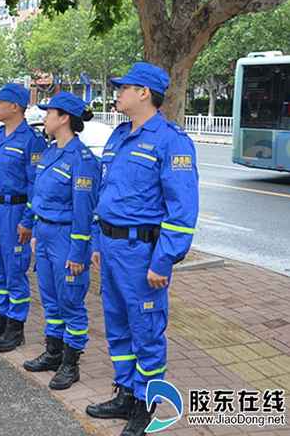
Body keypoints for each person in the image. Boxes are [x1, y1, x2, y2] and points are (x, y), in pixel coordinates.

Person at [85, 62, 199, 436]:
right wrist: (99, 241)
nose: (117, 93)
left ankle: (144, 404)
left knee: (146, 329)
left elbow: (182, 210)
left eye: (124, 88)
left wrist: (163, 260)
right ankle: (124, 392)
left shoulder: (171, 140)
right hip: (113, 247)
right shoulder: (119, 136)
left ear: (144, 93)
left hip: (142, 253)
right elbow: (106, 195)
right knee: (117, 326)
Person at [23, 92, 100, 391]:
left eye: (49, 112)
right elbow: (37, 197)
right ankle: (53, 353)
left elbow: (85, 211)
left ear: (64, 117)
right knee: (50, 298)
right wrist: (31, 228)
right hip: (45, 235)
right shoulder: (50, 152)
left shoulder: (82, 160)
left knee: (71, 301)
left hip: (67, 237)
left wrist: (79, 251)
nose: (44, 117)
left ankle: (71, 363)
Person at [0, 83, 47, 353]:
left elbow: (35, 184)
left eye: (0, 102)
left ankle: (16, 326)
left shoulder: (32, 140)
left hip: (13, 212)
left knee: (14, 269)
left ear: (15, 106)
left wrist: (27, 220)